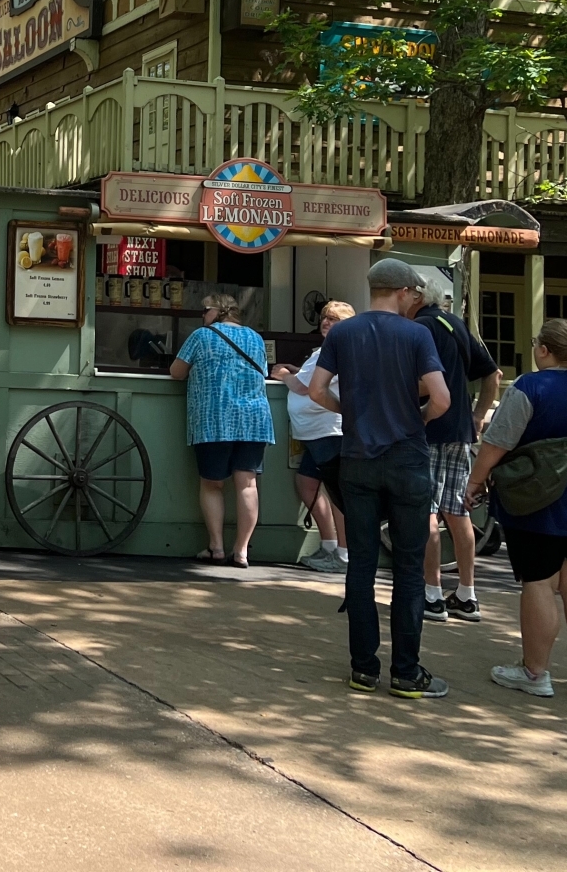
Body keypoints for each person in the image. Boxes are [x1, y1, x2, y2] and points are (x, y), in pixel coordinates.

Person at [306, 258, 453, 698]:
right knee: (408, 567)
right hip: (406, 457)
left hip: (357, 458)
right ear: (404, 291)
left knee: (362, 564)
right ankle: (406, 672)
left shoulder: (343, 333)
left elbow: (316, 390)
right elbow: (442, 398)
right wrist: (418, 418)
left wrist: (349, 412)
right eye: (415, 294)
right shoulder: (417, 334)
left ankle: (363, 669)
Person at [468, 318, 567, 699]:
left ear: (544, 350)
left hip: (535, 498)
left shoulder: (529, 387)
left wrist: (475, 481)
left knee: (539, 581)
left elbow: (497, 442)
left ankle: (535, 672)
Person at [402, 268, 501, 624]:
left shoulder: (420, 328)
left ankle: (432, 595)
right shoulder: (454, 323)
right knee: (457, 513)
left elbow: (427, 383)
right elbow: (493, 374)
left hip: (427, 428)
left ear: (416, 296)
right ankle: (467, 594)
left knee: (426, 513)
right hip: (460, 430)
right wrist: (478, 415)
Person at [169, 294, 273, 568]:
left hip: (214, 418)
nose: (202, 316)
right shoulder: (255, 338)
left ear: (215, 312)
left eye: (204, 311)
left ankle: (216, 547)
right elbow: (264, 371)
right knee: (247, 484)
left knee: (212, 484)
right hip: (253, 419)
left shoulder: (201, 336)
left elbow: (177, 372)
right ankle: (241, 551)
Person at [272, 299, 357, 573]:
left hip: (328, 431)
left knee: (338, 493)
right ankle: (329, 545)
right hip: (315, 433)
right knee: (307, 483)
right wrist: (298, 372)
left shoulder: (336, 350)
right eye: (325, 318)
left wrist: (284, 374)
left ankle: (343, 554)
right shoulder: (329, 350)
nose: (326, 322)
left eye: (334, 319)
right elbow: (314, 379)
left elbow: (302, 387)